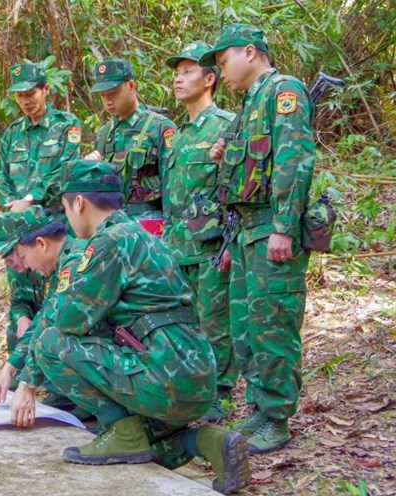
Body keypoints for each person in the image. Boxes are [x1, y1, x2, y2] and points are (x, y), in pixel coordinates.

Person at [6, 160, 250, 494]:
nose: (67, 218)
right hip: (196, 377)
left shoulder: (107, 244)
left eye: (65, 208)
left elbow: (68, 321)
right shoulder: (143, 236)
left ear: (78, 203)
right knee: (148, 446)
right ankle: (206, 441)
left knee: (50, 342)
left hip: (164, 375)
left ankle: (121, 430)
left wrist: (28, 380)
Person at [198, 23, 315, 454]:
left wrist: (284, 227)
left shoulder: (284, 90)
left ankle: (278, 418)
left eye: (223, 60)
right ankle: (260, 407)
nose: (219, 71)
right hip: (246, 231)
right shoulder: (250, 103)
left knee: (273, 324)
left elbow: (293, 159)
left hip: (271, 228)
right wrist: (223, 152)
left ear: (250, 52)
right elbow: (248, 166)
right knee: (245, 327)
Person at [162, 41, 238, 421]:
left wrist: (229, 242)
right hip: (178, 245)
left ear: (210, 79)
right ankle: (192, 392)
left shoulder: (226, 126)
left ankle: (220, 395)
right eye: (176, 72)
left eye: (188, 71)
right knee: (185, 323)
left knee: (215, 323)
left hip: (211, 244)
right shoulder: (177, 133)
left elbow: (236, 188)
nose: (178, 78)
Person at [0, 61, 82, 350]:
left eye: (31, 92)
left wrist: (30, 200)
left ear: (45, 89)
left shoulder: (66, 126)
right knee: (21, 293)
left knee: (58, 292)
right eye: (19, 95)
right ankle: (20, 358)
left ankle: (54, 358)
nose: (26, 100)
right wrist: (12, 204)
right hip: (18, 230)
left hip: (53, 228)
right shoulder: (12, 134)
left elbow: (66, 172)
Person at [0, 206, 83, 408]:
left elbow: (49, 323)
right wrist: (10, 368)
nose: (25, 265)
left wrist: (25, 383)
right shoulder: (61, 263)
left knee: (51, 343)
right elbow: (43, 316)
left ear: (40, 244)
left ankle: (113, 421)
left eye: (22, 256)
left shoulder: (74, 263)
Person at [86, 58, 175, 221]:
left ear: (131, 86)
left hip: (147, 225)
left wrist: (169, 232)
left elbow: (173, 188)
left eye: (113, 93)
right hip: (111, 224)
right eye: (103, 95)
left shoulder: (158, 127)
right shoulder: (104, 133)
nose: (108, 101)